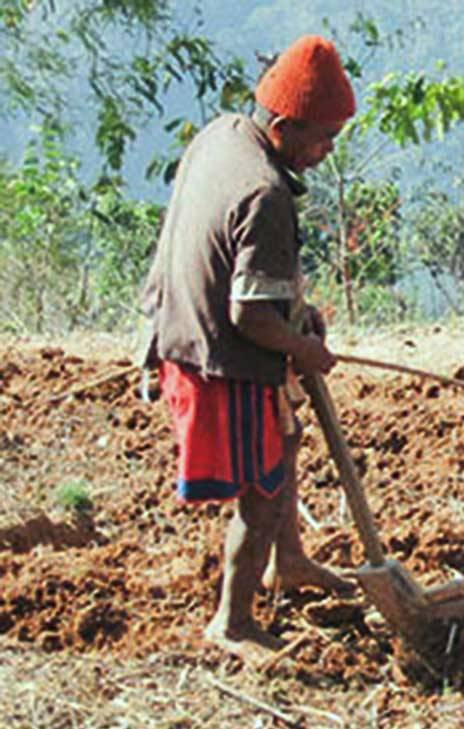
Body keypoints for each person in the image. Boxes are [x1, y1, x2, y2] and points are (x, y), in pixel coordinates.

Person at [138, 34, 356, 661]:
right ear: (283, 125)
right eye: (320, 139)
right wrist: (302, 346)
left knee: (284, 446)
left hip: (181, 327)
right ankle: (232, 624)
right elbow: (248, 318)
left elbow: (245, 274)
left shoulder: (224, 134)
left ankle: (287, 562)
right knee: (260, 495)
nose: (326, 152)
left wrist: (295, 312)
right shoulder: (265, 193)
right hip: (218, 359)